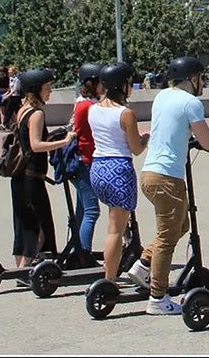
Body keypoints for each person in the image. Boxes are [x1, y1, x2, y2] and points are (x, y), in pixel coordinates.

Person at [126, 57, 209, 315]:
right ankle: (157, 299)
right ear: (192, 78)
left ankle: (144, 263)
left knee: (181, 226)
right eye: (201, 77)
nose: (202, 82)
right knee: (168, 238)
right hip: (168, 178)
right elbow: (206, 141)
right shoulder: (191, 103)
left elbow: (174, 128)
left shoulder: (163, 97)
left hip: (150, 173)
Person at [89, 62, 149, 284]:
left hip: (98, 168)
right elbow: (135, 148)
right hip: (118, 169)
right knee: (115, 230)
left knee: (113, 224)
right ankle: (109, 280)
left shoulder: (93, 110)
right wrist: (145, 139)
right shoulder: (126, 114)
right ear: (122, 85)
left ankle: (112, 273)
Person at [11, 69, 75, 268]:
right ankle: (25, 269)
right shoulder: (37, 113)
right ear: (35, 90)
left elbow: (28, 141)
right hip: (32, 178)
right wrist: (64, 142)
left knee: (23, 224)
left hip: (20, 177)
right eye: (47, 88)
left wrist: (55, 135)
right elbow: (36, 145)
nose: (50, 91)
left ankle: (21, 264)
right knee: (40, 226)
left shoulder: (23, 110)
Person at [70, 63, 104, 252]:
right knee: (92, 211)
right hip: (85, 161)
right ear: (91, 83)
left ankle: (78, 249)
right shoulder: (87, 107)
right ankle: (83, 254)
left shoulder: (83, 103)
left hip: (84, 160)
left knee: (82, 210)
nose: (103, 86)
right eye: (100, 82)